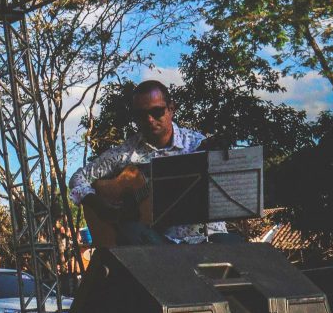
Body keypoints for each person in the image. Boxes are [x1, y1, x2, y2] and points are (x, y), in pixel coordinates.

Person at [69, 80, 228, 245]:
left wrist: (221, 161)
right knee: (131, 232)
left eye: (157, 111)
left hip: (204, 237)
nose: (150, 119)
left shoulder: (196, 145)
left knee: (234, 247)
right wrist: (99, 205)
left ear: (171, 109)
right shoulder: (125, 154)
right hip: (158, 243)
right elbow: (78, 178)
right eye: (141, 115)